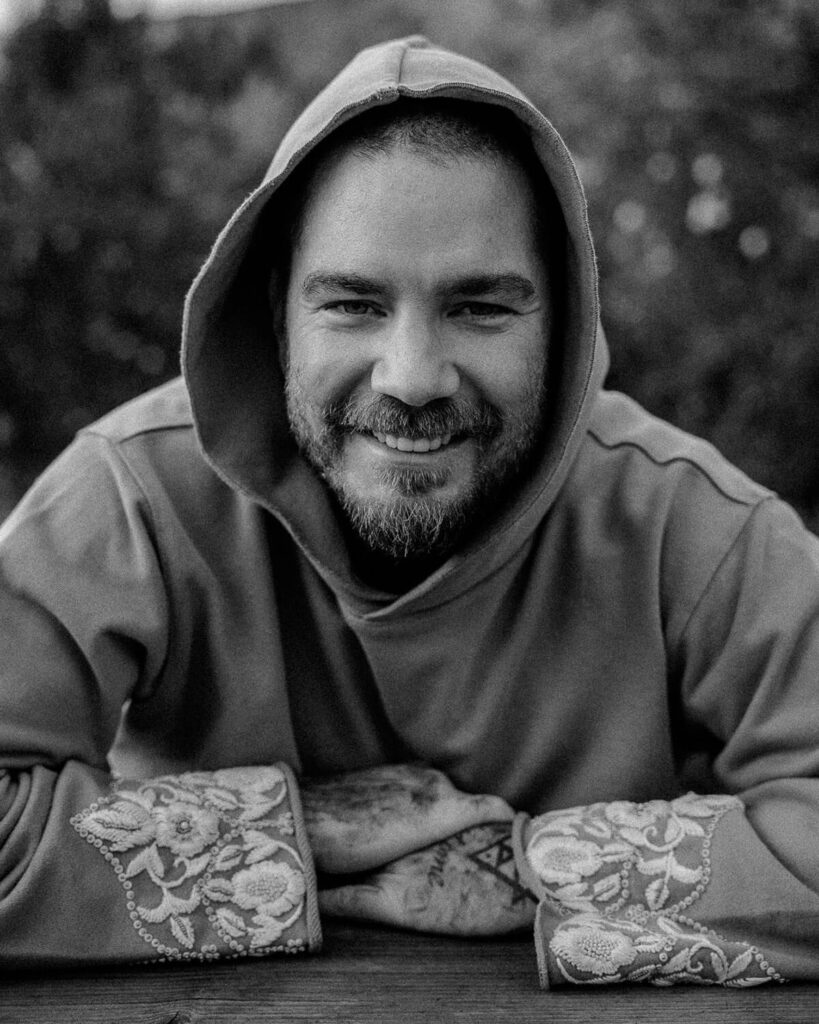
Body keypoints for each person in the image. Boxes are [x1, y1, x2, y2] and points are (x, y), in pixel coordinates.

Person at [0, 35, 817, 988]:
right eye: (351, 304)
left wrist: (529, 866)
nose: (414, 379)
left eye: (480, 308)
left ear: (566, 321)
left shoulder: (691, 525)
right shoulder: (134, 497)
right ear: (275, 315)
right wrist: (301, 831)